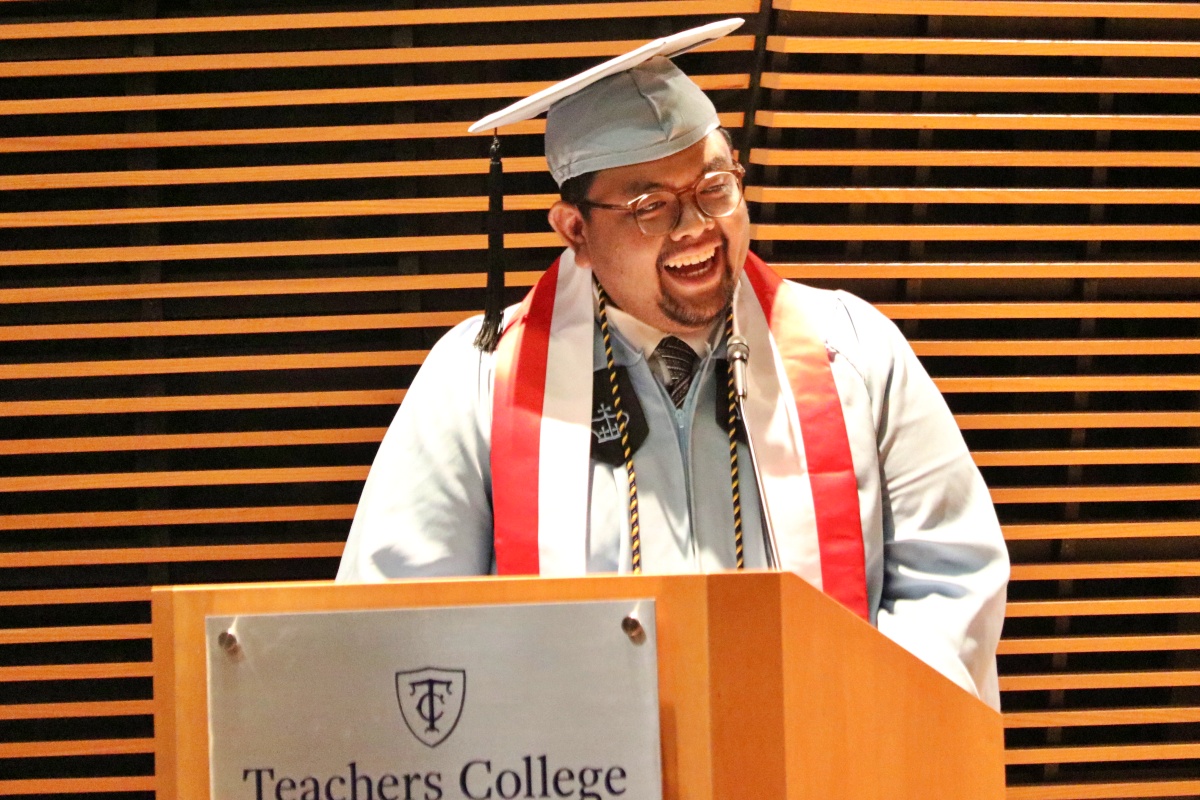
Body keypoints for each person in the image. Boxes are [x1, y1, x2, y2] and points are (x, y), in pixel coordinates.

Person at [337, 19, 1009, 710]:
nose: (697, 227)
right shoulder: (478, 380)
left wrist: (856, 733)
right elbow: (397, 620)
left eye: (715, 186)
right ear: (575, 231)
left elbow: (951, 578)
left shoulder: (854, 353)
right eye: (649, 206)